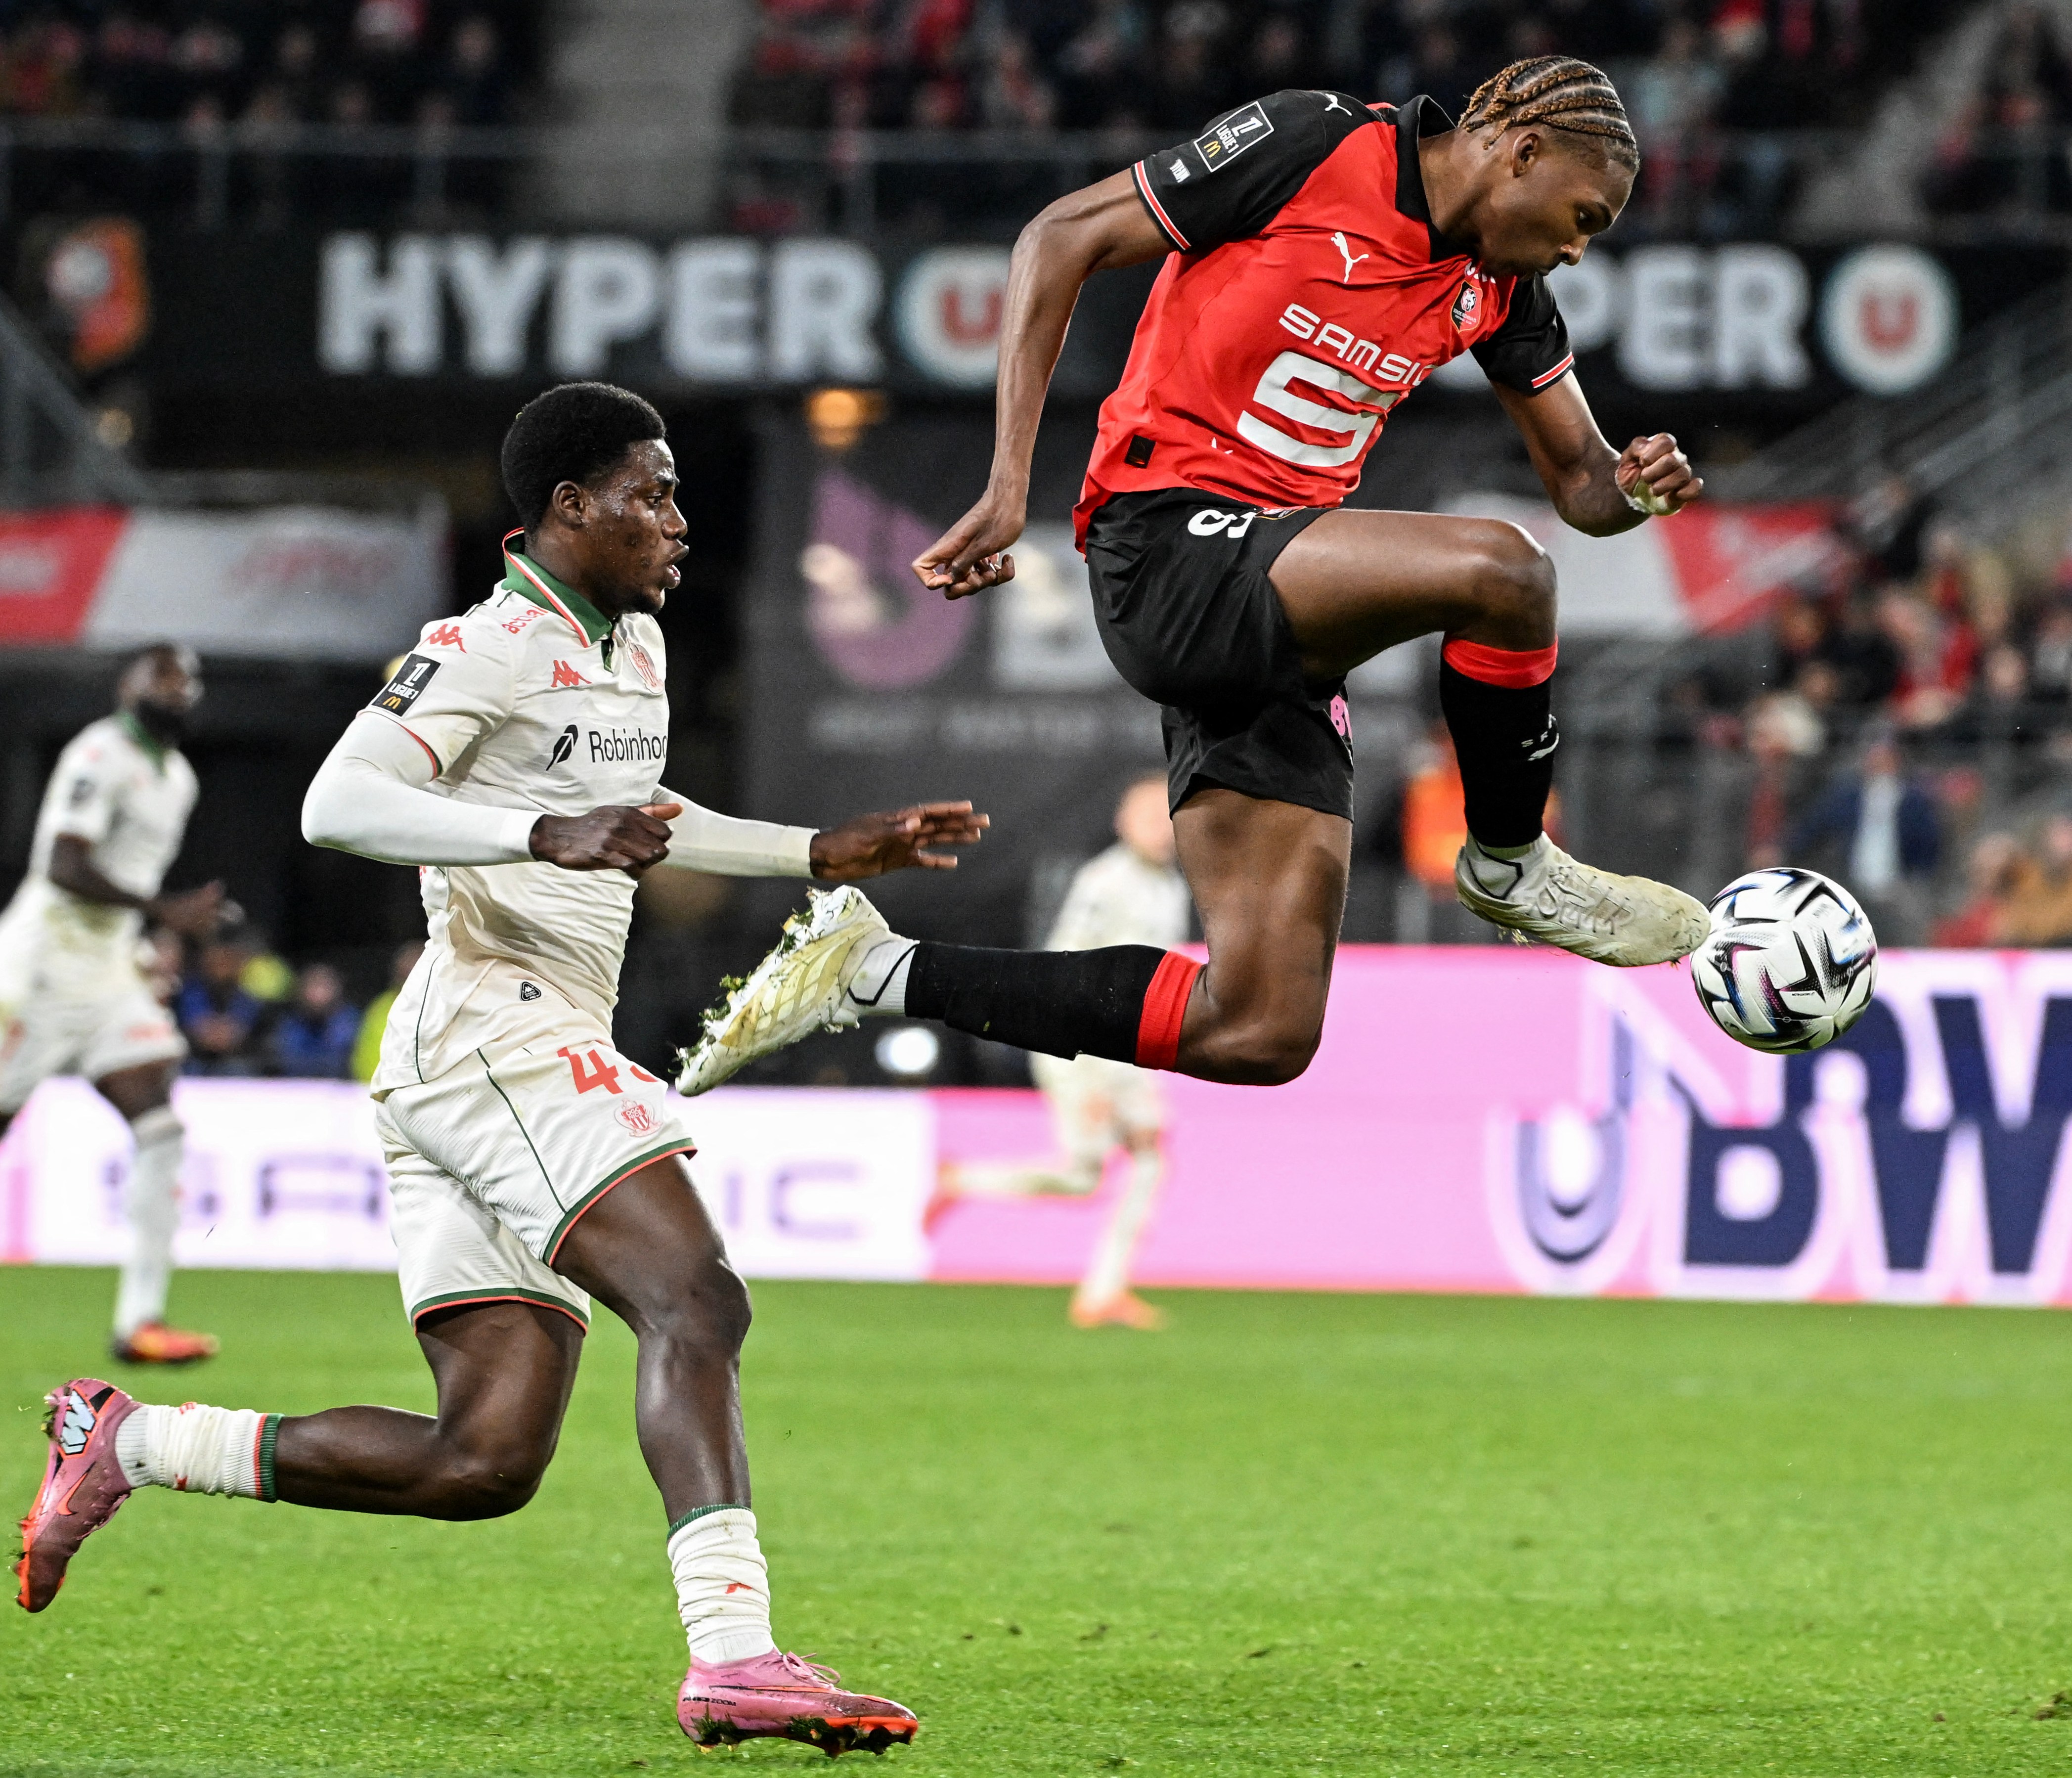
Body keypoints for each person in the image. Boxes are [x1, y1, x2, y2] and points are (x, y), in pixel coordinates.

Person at [17, 383, 991, 1757]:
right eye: (651, 493)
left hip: (505, 1045)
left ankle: (128, 1439)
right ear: (569, 507)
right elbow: (338, 801)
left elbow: (642, 814)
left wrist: (813, 851)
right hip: (495, 1029)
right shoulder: (481, 646)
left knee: (479, 1459)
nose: (677, 518)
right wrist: (539, 832)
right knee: (694, 1297)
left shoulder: (634, 643)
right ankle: (733, 1657)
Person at [680, 58, 1709, 1100]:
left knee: (1259, 1029)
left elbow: (1583, 482)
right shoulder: (1318, 143)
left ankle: (870, 971)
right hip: (1169, 545)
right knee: (1503, 569)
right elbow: (1060, 236)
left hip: (1269, 613)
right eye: (1584, 216)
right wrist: (1007, 482)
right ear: (1520, 151)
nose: (1578, 247)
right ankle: (1511, 863)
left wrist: (1634, 486)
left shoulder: (1503, 289)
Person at [0, 644, 225, 1365]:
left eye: (186, 681)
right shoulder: (98, 753)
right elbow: (64, 863)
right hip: (40, 968)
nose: (176, 690)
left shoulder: (178, 778)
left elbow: (127, 879)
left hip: (105, 973)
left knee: (161, 1128)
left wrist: (147, 936)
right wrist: (165, 911)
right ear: (127, 686)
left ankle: (140, 1324)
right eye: (162, 677)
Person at [932, 774, 1190, 1330]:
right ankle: (961, 1181)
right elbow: (1067, 966)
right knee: (1082, 1176)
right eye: (1149, 817)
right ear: (1123, 822)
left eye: (1169, 819)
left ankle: (1104, 1291)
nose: (1161, 830)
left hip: (1128, 1047)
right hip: (1083, 1045)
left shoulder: (1172, 885)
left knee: (1150, 1156)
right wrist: (1089, 1069)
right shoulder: (1105, 881)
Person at [267, 962, 361, 1078]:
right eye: (313, 986)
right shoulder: (290, 1024)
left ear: (337, 989)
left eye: (324, 986)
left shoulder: (352, 1024)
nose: (318, 994)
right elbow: (287, 1062)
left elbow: (343, 1063)